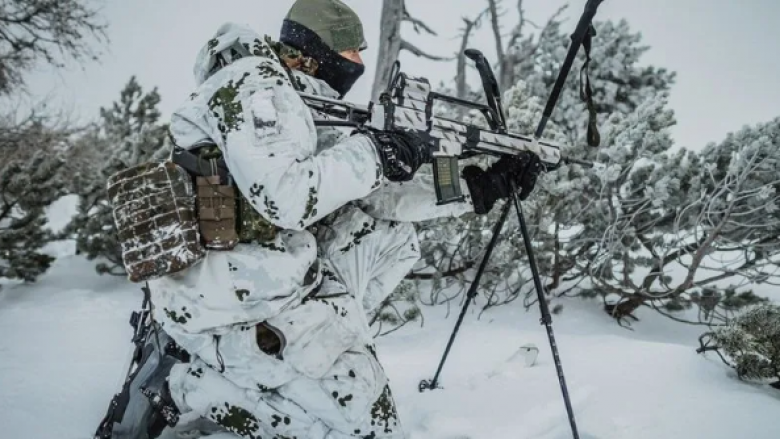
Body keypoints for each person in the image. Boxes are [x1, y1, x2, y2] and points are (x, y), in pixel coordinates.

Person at [150, 0, 542, 438]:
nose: (357, 63)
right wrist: (378, 150)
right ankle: (191, 383)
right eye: (352, 51)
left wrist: (477, 188)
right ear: (315, 49)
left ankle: (319, 349)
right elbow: (287, 197)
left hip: (265, 274)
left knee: (394, 239)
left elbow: (381, 197)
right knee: (369, 428)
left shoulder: (301, 101)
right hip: (227, 300)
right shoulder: (254, 84)